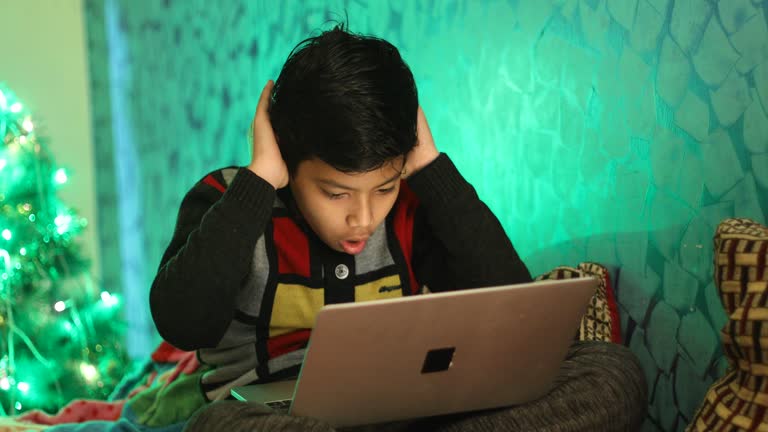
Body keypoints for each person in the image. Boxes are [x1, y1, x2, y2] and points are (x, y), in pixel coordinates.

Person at [150, 23, 646, 432]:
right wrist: (259, 183)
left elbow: (509, 313)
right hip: (275, 415)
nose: (363, 218)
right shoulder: (232, 198)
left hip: (408, 408)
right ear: (285, 155)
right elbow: (184, 324)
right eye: (336, 193)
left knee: (610, 375)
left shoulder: (413, 203)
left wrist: (430, 170)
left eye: (382, 189)